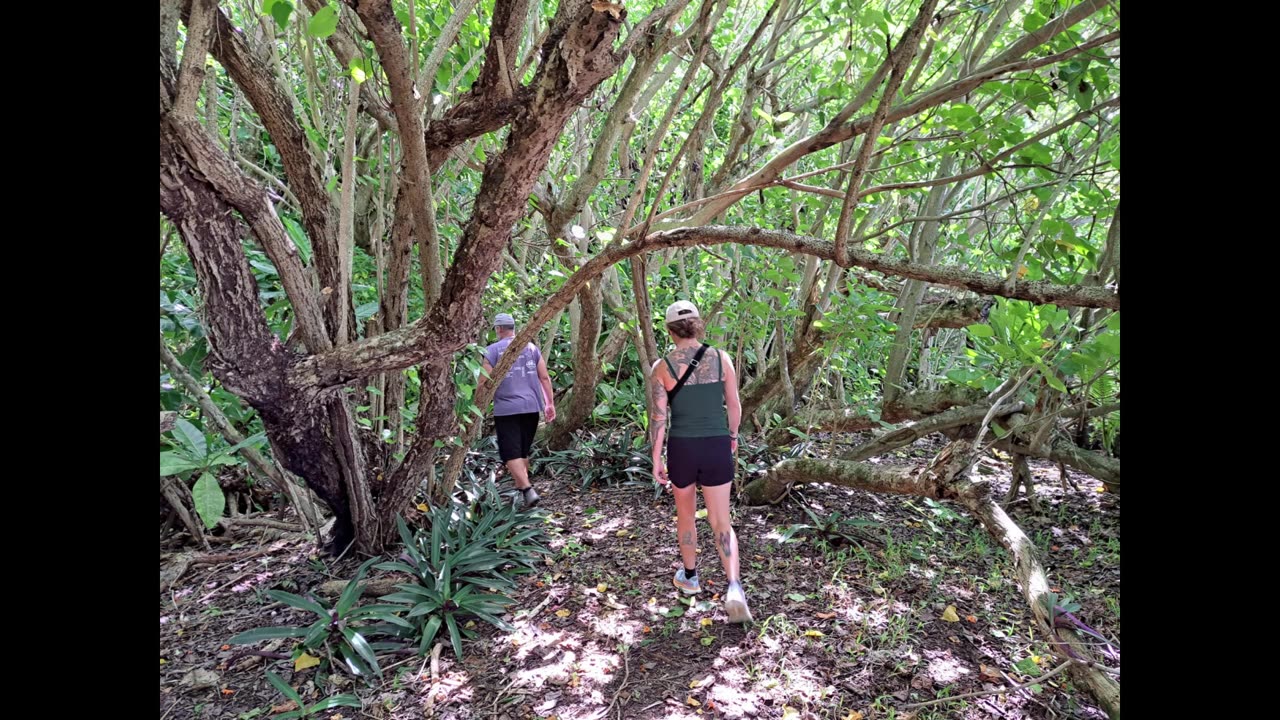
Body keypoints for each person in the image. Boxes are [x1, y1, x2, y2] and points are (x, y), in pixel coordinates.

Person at [649, 300, 752, 623]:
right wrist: (732, 436)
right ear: (698, 324)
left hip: (682, 447)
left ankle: (690, 576)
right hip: (716, 444)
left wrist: (655, 458)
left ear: (669, 330)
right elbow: (734, 405)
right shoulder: (721, 359)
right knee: (722, 521)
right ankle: (734, 586)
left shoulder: (662, 367)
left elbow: (658, 418)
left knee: (687, 517)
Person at [479, 313, 556, 508]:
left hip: (507, 408)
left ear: (498, 329)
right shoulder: (531, 348)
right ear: (513, 327)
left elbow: (483, 382)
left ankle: (527, 489)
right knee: (522, 450)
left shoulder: (491, 351)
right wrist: (549, 403)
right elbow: (544, 378)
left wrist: (477, 405)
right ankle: (525, 490)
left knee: (510, 452)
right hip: (531, 406)